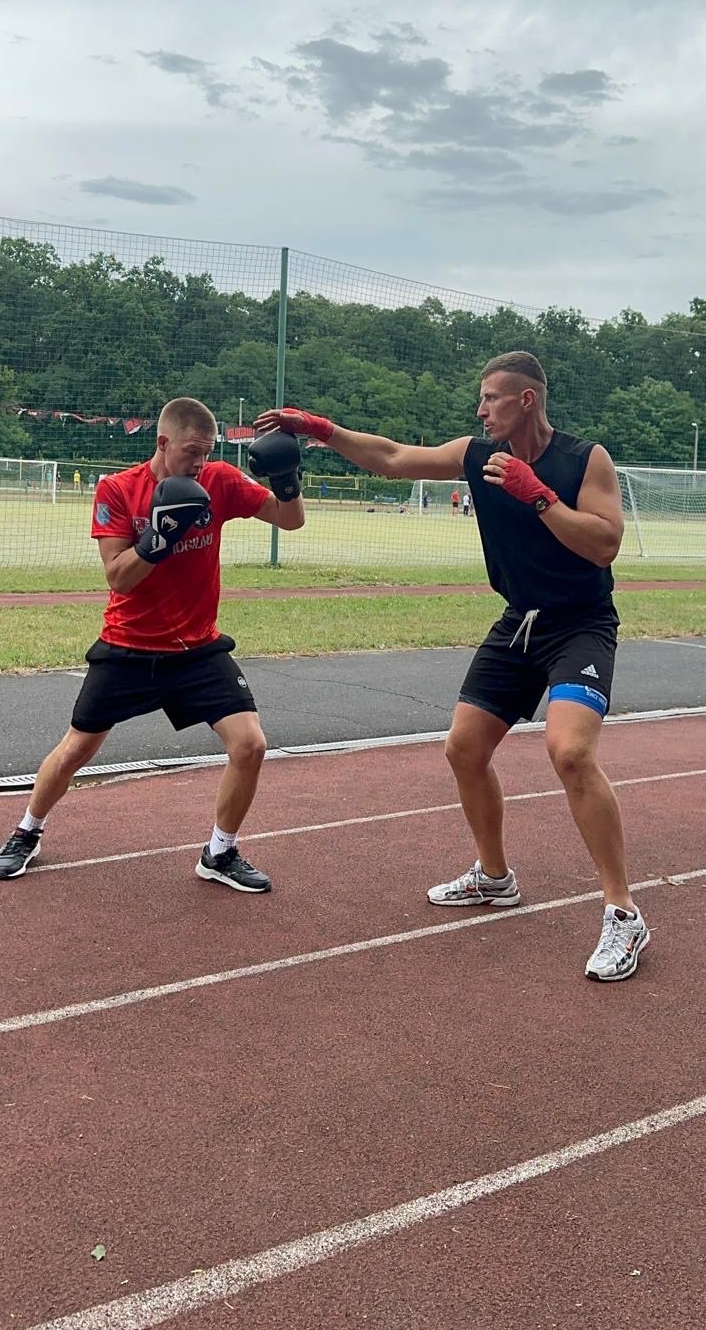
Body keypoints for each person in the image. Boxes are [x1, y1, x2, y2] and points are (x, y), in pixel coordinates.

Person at [256, 353, 648, 982]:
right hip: (518, 622)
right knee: (464, 749)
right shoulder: (474, 454)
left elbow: (605, 544)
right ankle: (494, 878)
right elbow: (391, 457)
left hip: (580, 626)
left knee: (570, 752)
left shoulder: (583, 459)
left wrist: (538, 495)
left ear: (525, 401)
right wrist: (320, 429)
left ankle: (622, 912)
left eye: (490, 398)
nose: (480, 408)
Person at [0, 397, 305, 892]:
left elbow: (290, 521)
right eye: (190, 452)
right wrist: (158, 538)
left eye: (207, 451)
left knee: (251, 745)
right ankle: (27, 830)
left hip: (197, 649)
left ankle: (219, 853)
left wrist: (288, 480)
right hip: (129, 647)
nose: (199, 462)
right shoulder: (117, 489)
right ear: (162, 443)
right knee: (77, 748)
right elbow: (120, 579)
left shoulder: (218, 481)